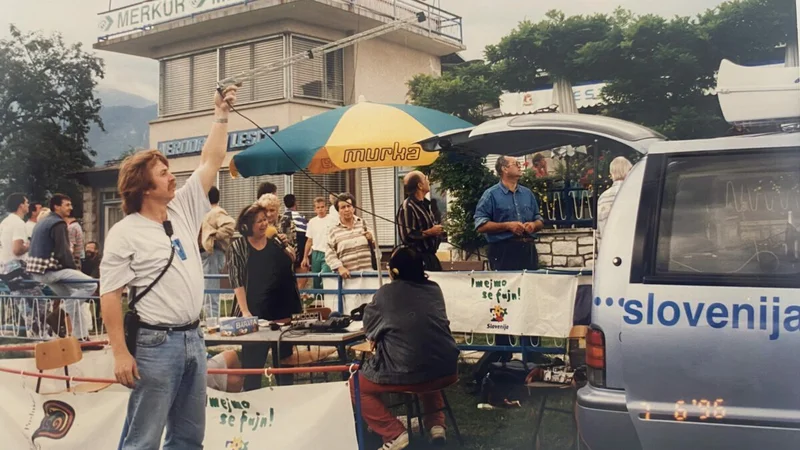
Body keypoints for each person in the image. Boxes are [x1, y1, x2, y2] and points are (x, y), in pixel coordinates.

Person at [99, 85, 238, 449]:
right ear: (144, 188)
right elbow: (110, 296)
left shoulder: (183, 207)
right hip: (155, 344)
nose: (172, 176)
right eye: (163, 173)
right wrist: (119, 352)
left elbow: (210, 160)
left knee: (190, 437)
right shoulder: (124, 233)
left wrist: (221, 115)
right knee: (143, 438)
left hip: (194, 337)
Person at [352, 246, 460, 449]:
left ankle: (394, 433)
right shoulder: (434, 288)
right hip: (447, 367)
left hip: (411, 371)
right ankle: (436, 424)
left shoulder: (386, 293)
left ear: (394, 272)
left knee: (356, 386)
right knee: (426, 357)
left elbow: (370, 327)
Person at [227, 195, 301, 390]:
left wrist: (287, 248)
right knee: (253, 367)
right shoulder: (238, 246)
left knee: (285, 366)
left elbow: (291, 264)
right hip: (256, 314)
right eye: (259, 221)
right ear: (247, 225)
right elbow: (236, 280)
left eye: (265, 220)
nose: (264, 224)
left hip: (283, 311)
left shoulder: (275, 241)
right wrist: (245, 312)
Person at [27, 194, 96, 342]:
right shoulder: (58, 224)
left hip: (39, 272)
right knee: (91, 284)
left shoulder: (42, 222)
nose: (71, 207)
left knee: (75, 297)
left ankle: (81, 338)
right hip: (51, 271)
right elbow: (63, 252)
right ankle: (57, 316)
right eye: (67, 204)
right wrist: (74, 270)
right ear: (56, 206)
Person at [475, 156, 544, 270]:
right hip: (503, 250)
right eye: (515, 163)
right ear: (504, 169)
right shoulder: (491, 195)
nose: (519, 165)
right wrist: (508, 226)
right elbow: (480, 226)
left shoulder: (527, 193)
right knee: (507, 287)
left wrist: (534, 225)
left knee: (530, 286)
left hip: (528, 249)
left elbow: (539, 219)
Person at [396, 171, 445, 271]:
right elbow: (407, 236)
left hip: (430, 258)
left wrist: (438, 233)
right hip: (417, 260)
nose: (429, 181)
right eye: (426, 179)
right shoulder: (407, 207)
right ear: (420, 185)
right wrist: (430, 232)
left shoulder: (425, 205)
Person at [200, 186, 235, 321]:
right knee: (206, 292)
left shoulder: (215, 211)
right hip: (206, 255)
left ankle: (212, 324)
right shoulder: (208, 212)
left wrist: (212, 237)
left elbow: (230, 225)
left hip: (211, 254)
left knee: (210, 292)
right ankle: (209, 322)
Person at [326, 193, 375, 279]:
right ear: (338, 210)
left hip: (368, 276)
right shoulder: (333, 230)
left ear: (354, 208)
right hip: (348, 280)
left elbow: (376, 245)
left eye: (349, 206)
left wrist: (371, 239)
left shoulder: (364, 224)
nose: (347, 209)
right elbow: (329, 254)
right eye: (343, 207)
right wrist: (340, 268)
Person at [596, 156, 633, 246]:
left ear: (612, 173)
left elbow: (599, 231)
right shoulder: (634, 192)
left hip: (609, 248)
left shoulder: (603, 197)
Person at [302, 197, 333, 289]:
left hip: (328, 252)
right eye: (318, 207)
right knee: (316, 279)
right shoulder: (312, 222)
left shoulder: (332, 220)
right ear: (315, 209)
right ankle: (317, 301)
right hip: (316, 253)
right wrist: (305, 257)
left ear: (326, 207)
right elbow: (309, 241)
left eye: (322, 207)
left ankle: (327, 299)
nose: (320, 209)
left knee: (325, 277)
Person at [283, 194, 309, 289]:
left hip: (285, 254)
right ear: (295, 202)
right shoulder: (301, 219)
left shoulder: (281, 219)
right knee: (301, 279)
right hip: (299, 253)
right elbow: (307, 236)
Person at [0, 193, 30, 270]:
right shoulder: (18, 223)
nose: (28, 205)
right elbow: (17, 250)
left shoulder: (5, 222)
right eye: (26, 202)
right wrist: (31, 245)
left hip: (4, 267)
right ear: (21, 205)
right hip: (15, 270)